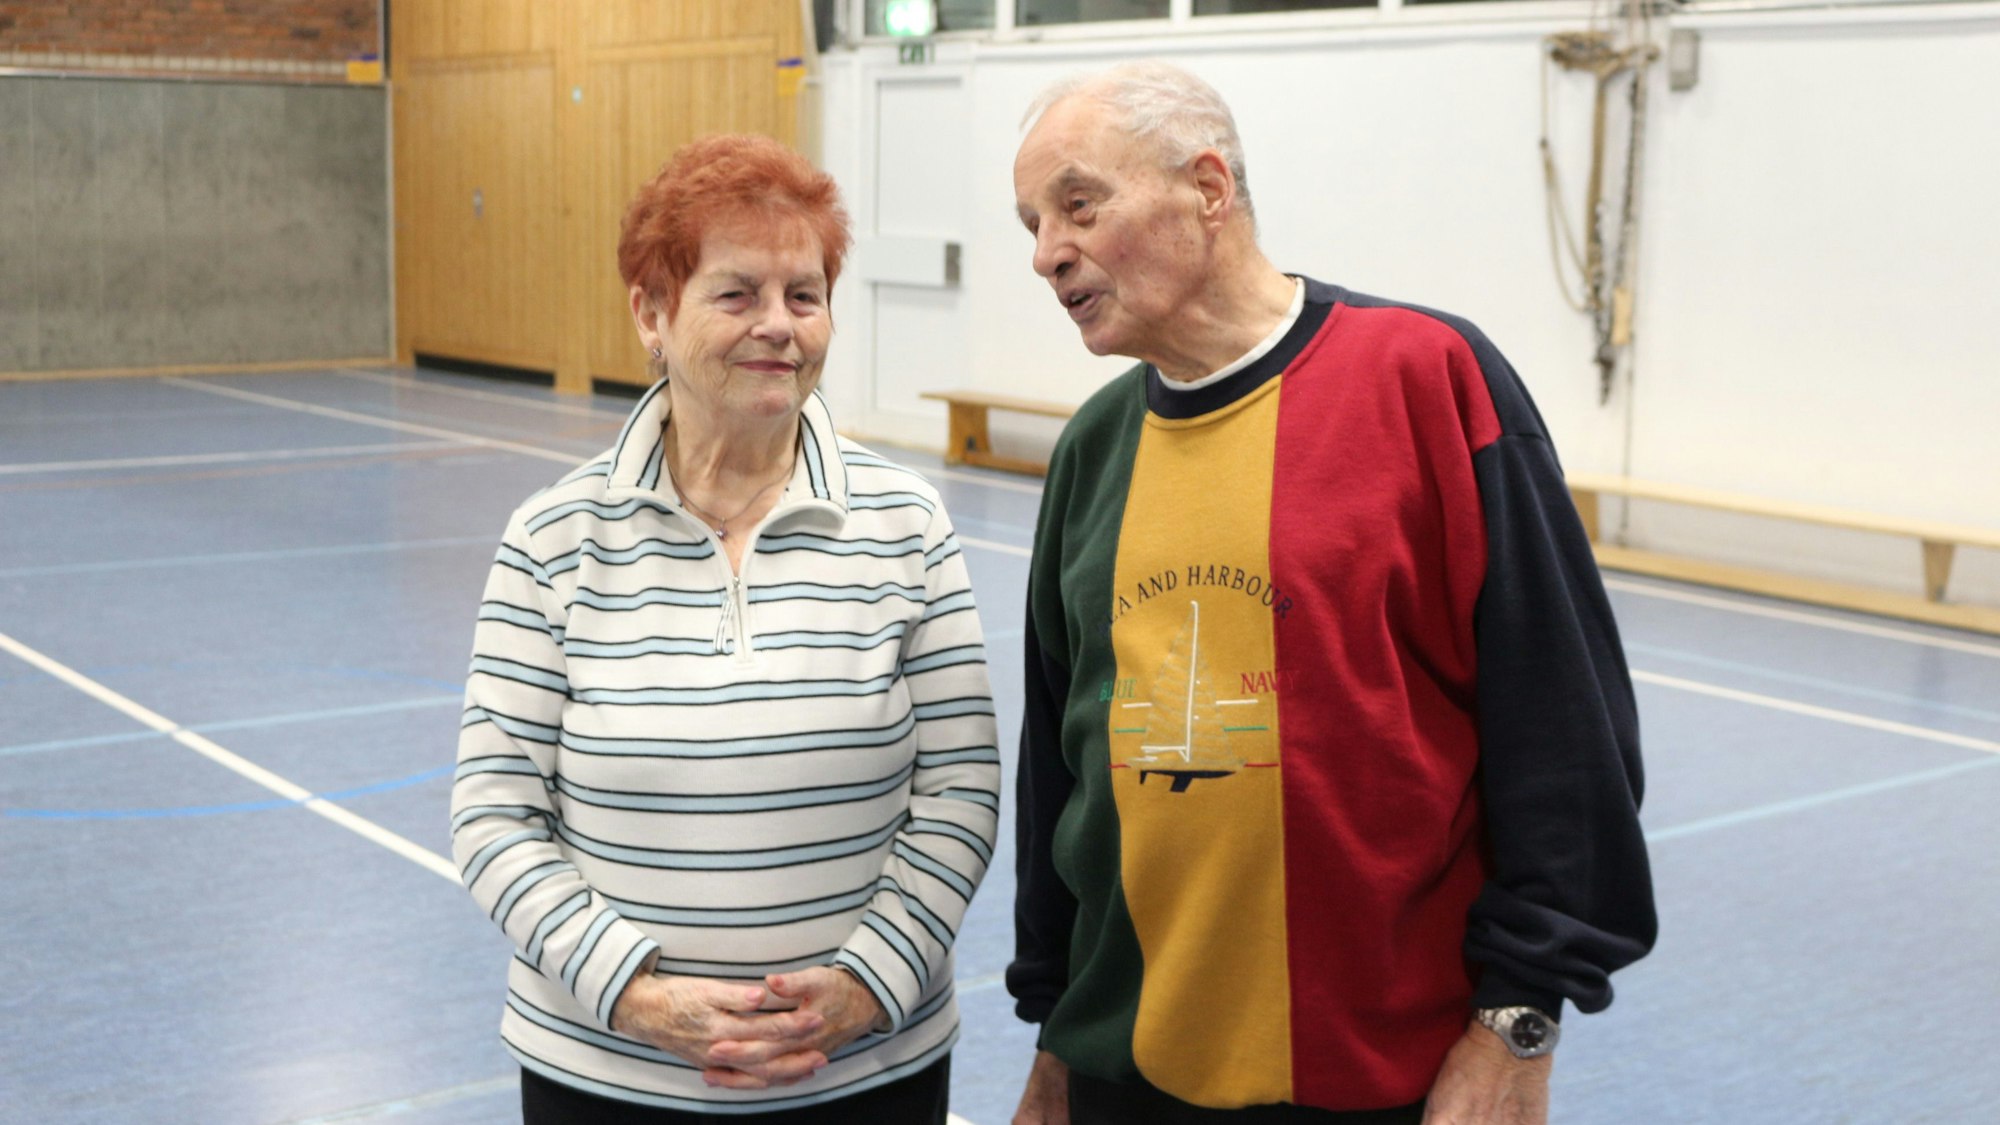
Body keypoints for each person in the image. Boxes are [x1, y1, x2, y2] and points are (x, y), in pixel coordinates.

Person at [1005, 62, 1657, 1125]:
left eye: (1078, 205)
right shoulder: (1093, 448)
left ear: (1206, 188)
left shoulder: (1427, 378)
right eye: (1032, 224)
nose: (1046, 253)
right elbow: (1060, 775)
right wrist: (1055, 1032)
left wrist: (1520, 1019)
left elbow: (1563, 731)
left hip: (1388, 1079)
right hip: (1125, 1069)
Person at [450, 134, 999, 1123]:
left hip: (867, 1072)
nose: (778, 326)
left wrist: (865, 986)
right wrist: (639, 999)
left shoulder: (907, 525)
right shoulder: (552, 539)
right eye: (737, 293)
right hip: (611, 1078)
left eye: (804, 294)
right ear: (651, 314)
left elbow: (961, 792)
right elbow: (495, 816)